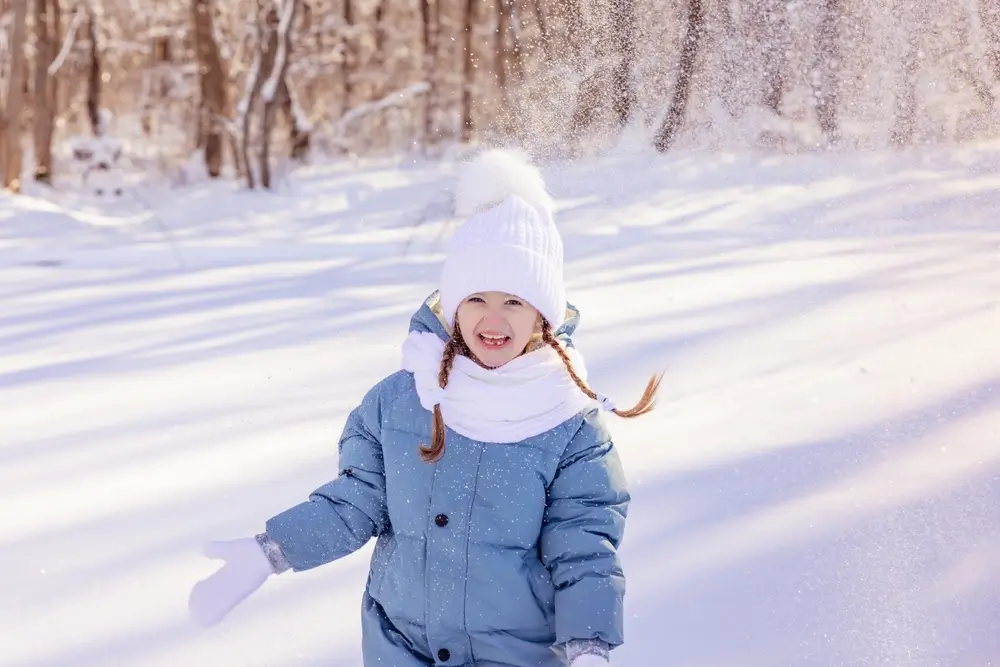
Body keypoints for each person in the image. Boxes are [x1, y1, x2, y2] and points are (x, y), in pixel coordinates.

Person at [187, 149, 662, 667]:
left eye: (515, 301)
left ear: (543, 316)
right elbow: (355, 502)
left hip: (514, 653)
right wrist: (271, 551)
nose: (493, 318)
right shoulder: (400, 401)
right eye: (476, 298)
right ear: (453, 306)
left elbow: (583, 550)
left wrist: (587, 647)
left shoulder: (569, 425)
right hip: (402, 646)